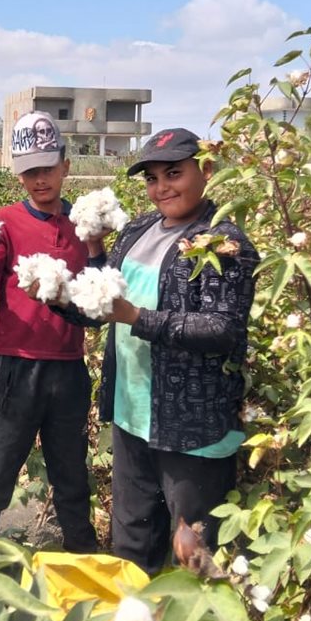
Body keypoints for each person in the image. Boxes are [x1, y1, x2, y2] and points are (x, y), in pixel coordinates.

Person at [90, 128, 258, 574]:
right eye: (152, 178)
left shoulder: (224, 242)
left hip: (191, 427)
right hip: (132, 414)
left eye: (173, 174)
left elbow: (223, 328)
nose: (161, 188)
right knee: (131, 543)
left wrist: (138, 318)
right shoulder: (140, 228)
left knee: (194, 554)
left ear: (205, 171)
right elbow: (105, 297)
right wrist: (68, 287)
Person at [0, 111, 100, 552]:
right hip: (14, 368)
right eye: (30, 172)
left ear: (66, 164)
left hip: (68, 370)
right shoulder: (4, 222)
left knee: (72, 479)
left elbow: (98, 294)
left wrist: (97, 251)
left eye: (47, 168)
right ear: (19, 175)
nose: (40, 180)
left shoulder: (84, 226)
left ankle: (85, 566)